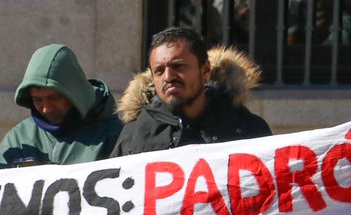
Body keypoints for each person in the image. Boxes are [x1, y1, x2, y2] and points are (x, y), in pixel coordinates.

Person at [111, 27, 271, 157]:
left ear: (205, 70)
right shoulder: (132, 136)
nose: (168, 77)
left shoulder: (248, 127)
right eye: (159, 71)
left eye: (178, 66)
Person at [0, 44, 122, 168]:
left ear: (75, 93)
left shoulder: (114, 135)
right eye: (37, 99)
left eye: (54, 98)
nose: (46, 108)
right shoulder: (17, 139)